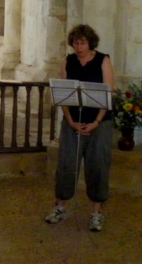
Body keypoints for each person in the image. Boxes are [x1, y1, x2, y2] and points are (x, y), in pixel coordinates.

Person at [45, 24, 115, 232]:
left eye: (82, 42)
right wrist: (70, 120)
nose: (79, 45)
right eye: (75, 42)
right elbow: (61, 93)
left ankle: (96, 212)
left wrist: (96, 122)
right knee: (67, 164)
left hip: (100, 123)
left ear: (90, 42)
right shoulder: (69, 60)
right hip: (72, 121)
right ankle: (60, 207)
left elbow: (108, 93)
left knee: (98, 165)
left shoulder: (103, 60)